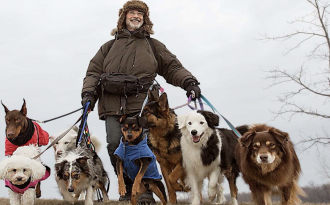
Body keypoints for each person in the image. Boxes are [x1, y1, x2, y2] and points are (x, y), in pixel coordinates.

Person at [81, 0, 201, 204]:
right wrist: (88, 95)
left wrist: (189, 82)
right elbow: (93, 73)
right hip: (112, 106)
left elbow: (172, 67)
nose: (136, 16)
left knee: (144, 149)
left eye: (140, 14)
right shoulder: (108, 47)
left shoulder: (153, 46)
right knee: (114, 146)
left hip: (143, 106)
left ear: (145, 19)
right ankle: (128, 189)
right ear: (123, 16)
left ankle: (145, 192)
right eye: (132, 12)